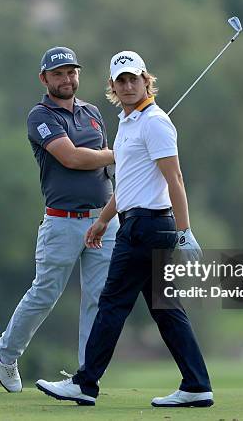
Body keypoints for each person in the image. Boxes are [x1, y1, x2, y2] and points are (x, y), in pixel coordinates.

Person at [35, 50, 213, 407]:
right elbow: (128, 185)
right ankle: (196, 384)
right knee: (166, 309)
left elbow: (174, 177)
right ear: (112, 87)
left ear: (147, 81)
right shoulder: (129, 124)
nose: (129, 85)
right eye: (122, 81)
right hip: (135, 223)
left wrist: (185, 230)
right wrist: (103, 220)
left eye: (134, 79)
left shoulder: (155, 122)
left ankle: (85, 383)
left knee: (112, 304)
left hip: (149, 228)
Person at [0, 46, 119, 392]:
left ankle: (85, 377)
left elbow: (105, 167)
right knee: (45, 293)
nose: (67, 79)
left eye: (72, 72)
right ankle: (6, 352)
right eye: (59, 73)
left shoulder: (92, 113)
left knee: (99, 298)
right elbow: (73, 158)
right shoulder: (40, 116)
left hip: (103, 221)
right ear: (44, 78)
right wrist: (124, 151)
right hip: (62, 221)